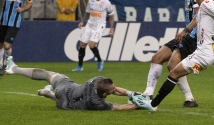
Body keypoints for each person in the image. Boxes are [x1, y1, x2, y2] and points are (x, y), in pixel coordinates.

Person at [143, 0, 199, 108]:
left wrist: (185, 30)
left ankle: (190, 98)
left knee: (173, 66)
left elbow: (200, 16)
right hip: (186, 36)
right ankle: (148, 94)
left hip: (193, 38)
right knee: (157, 58)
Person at [5, 56, 147, 110]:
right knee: (70, 102)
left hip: (65, 88)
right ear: (103, 94)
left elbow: (113, 89)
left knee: (47, 74)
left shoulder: (97, 80)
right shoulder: (96, 102)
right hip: (64, 105)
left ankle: (14, 69)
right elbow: (118, 107)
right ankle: (48, 93)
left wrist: (131, 93)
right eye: (110, 92)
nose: (114, 91)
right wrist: (137, 105)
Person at [72, 0, 114, 72]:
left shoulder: (106, 2)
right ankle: (80, 66)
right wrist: (82, 21)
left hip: (99, 25)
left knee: (91, 45)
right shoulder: (91, 0)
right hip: (90, 24)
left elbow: (111, 15)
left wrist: (111, 28)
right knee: (82, 45)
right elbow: (87, 12)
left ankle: (99, 60)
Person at [0, 0, 32, 76]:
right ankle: (2, 64)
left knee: (7, 45)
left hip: (15, 22)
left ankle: (8, 61)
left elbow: (30, 3)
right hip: (2, 20)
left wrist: (22, 9)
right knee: (0, 44)